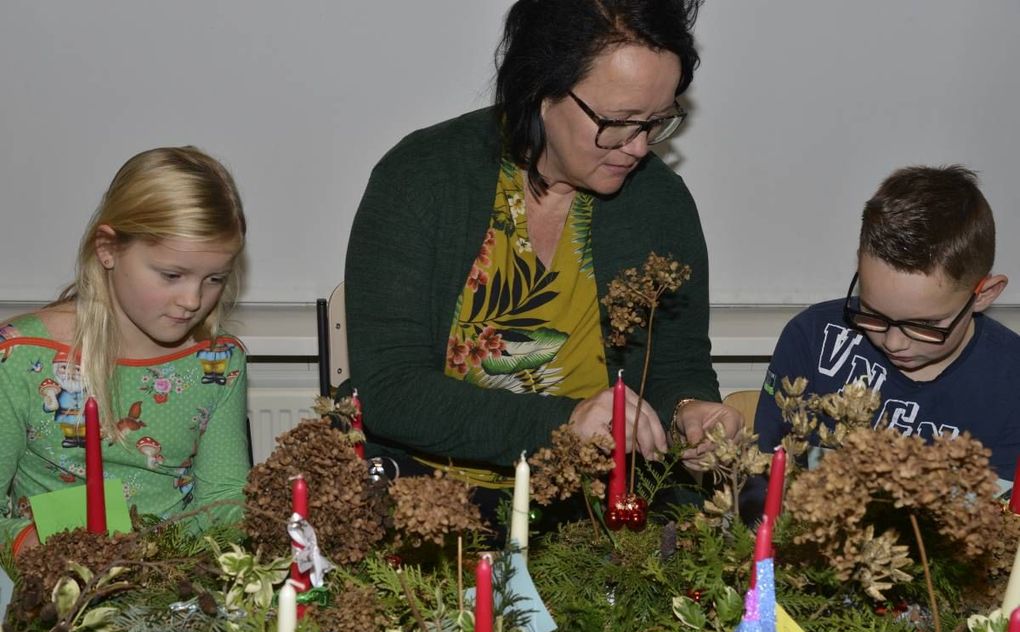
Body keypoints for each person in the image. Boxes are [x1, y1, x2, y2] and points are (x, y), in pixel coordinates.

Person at [345, 0, 741, 479]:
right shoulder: (422, 179)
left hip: (594, 509)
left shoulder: (659, 203)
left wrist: (687, 414)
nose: (638, 147)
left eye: (657, 122)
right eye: (618, 121)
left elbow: (677, 364)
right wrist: (563, 424)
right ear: (541, 92)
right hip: (431, 500)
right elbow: (393, 392)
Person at [1, 146, 250, 554]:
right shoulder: (19, 357)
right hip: (51, 590)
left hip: (175, 584)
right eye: (172, 274)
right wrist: (38, 553)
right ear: (108, 249)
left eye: (215, 279)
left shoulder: (218, 363)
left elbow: (224, 501)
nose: (192, 299)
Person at [754, 165, 1020, 480]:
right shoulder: (812, 339)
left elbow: (999, 520)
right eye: (873, 312)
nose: (893, 342)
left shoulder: (1009, 381)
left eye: (926, 324)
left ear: (983, 295)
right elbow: (763, 481)